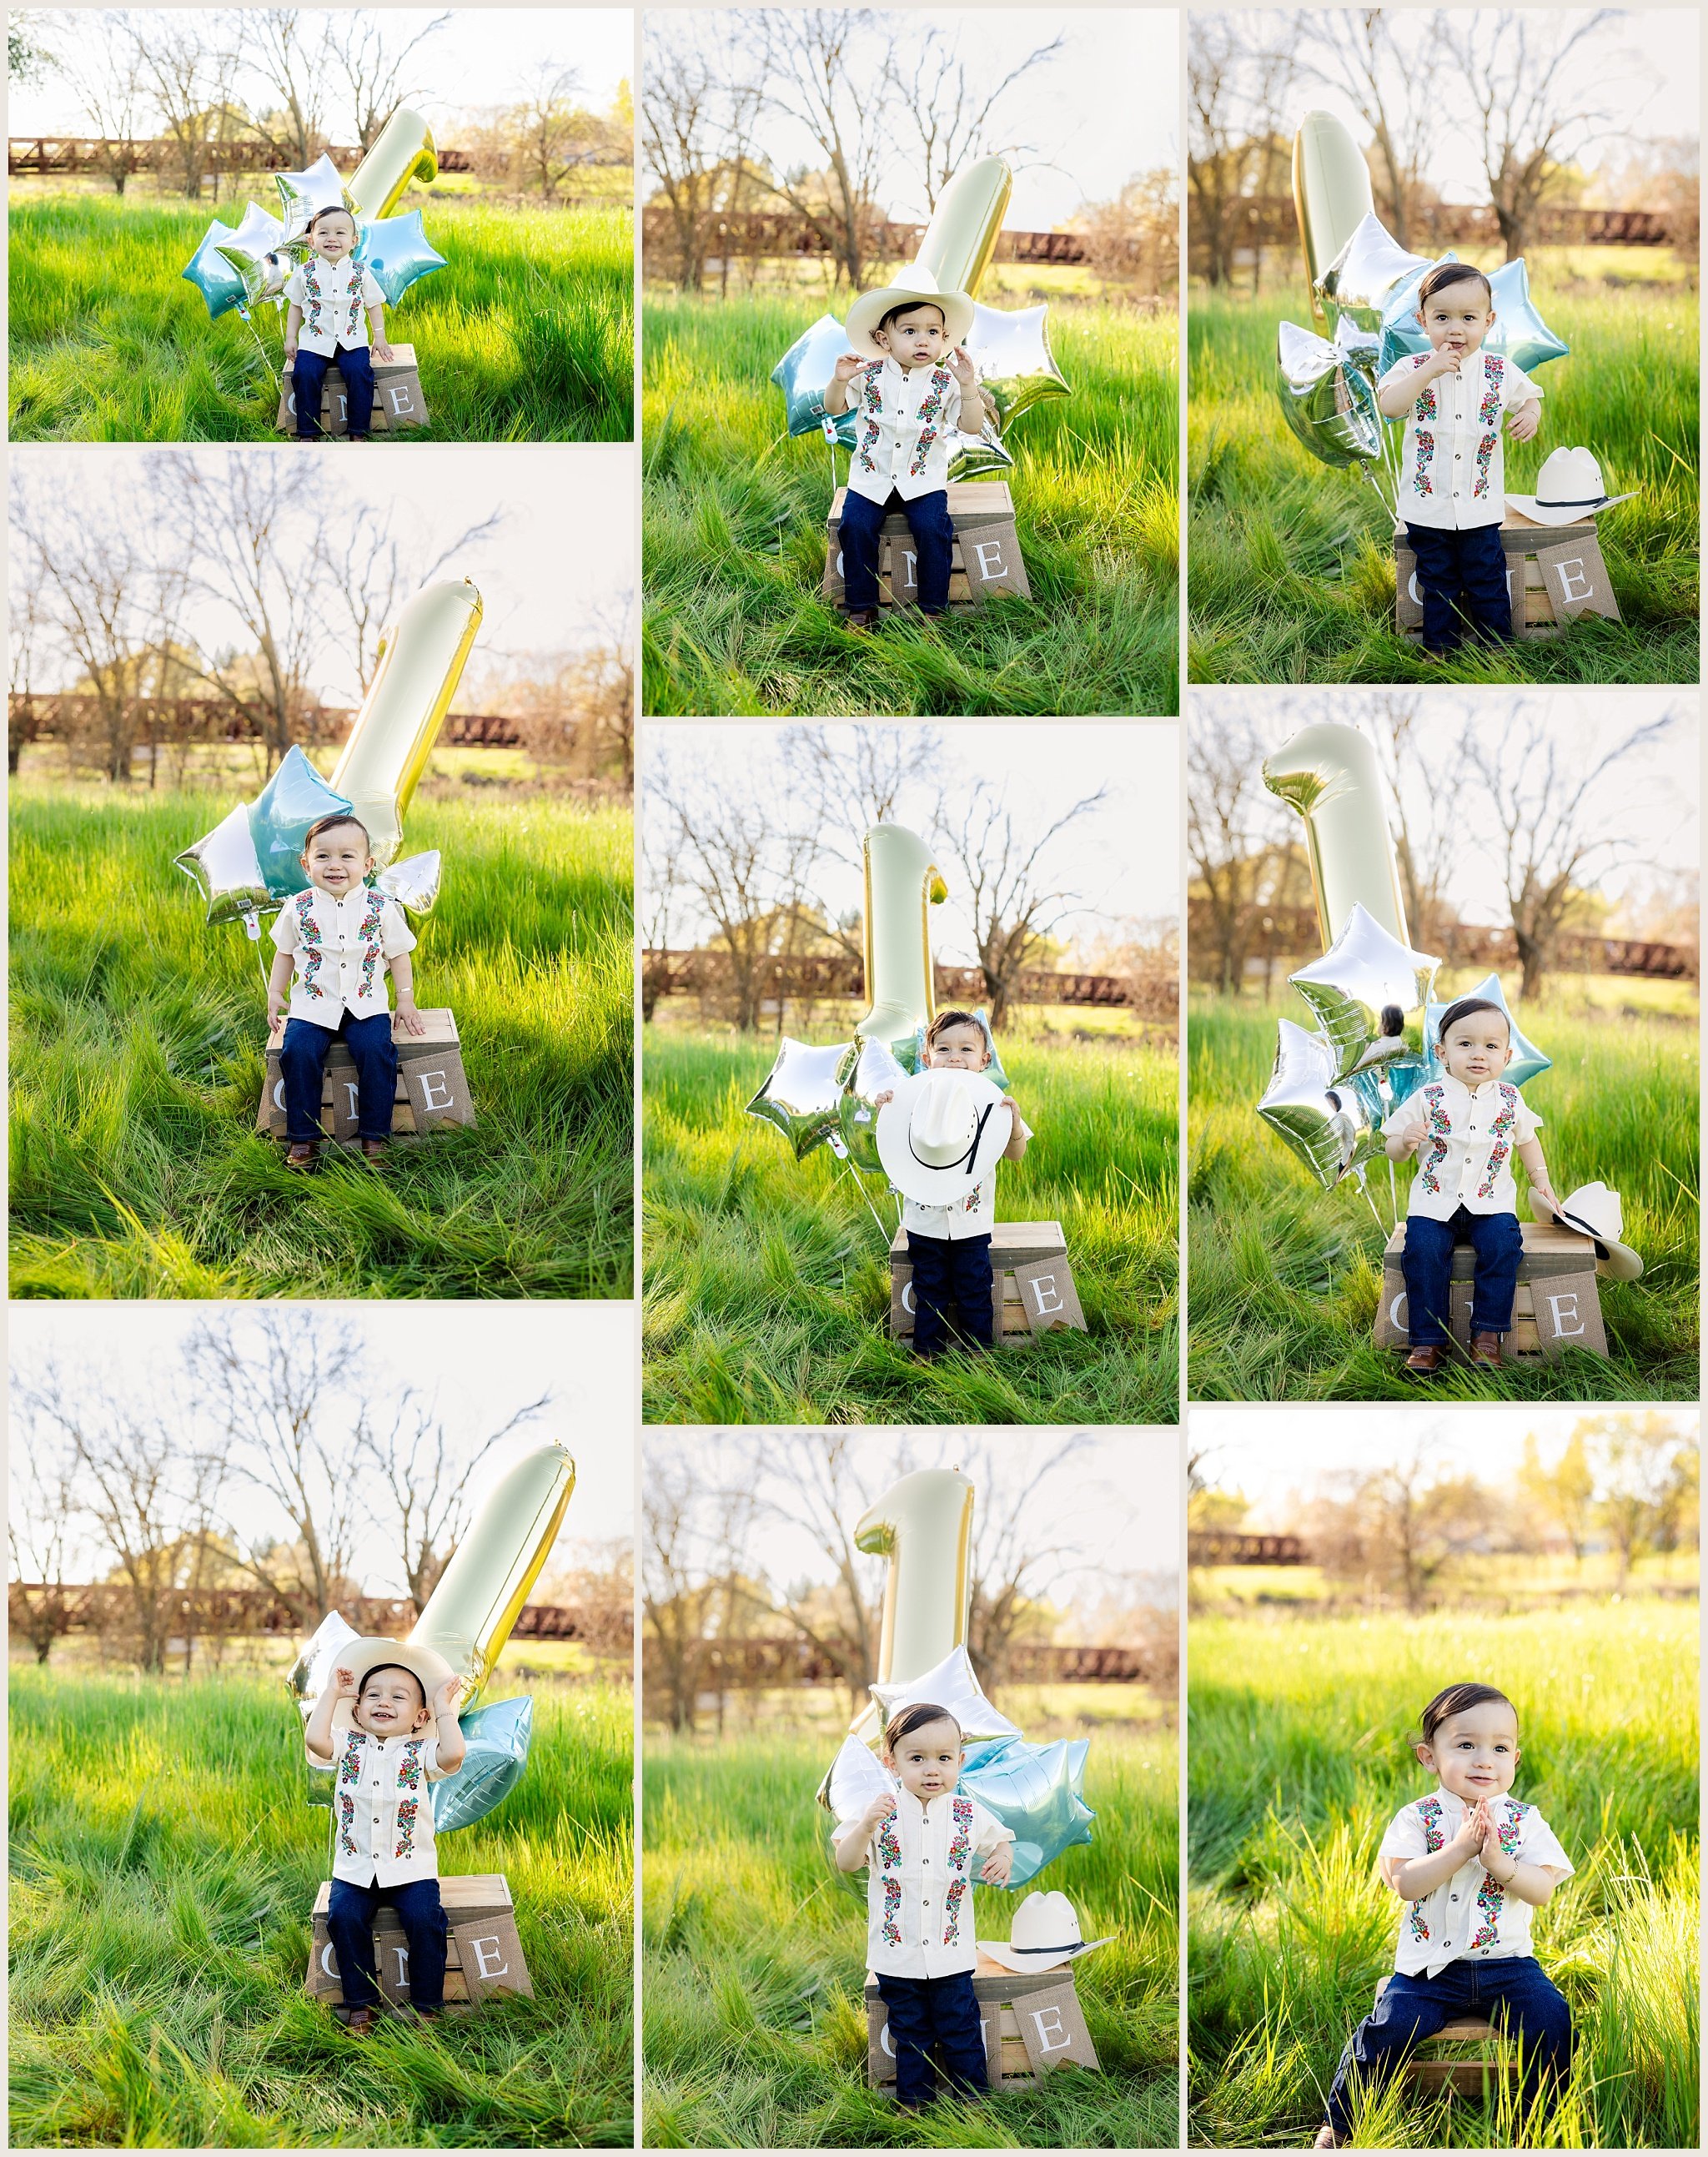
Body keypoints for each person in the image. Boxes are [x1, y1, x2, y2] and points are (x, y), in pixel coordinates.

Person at [1315, 1682, 1575, 2148]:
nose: (1484, 1759)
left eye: (1500, 1747)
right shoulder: (1417, 1818)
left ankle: (1538, 2123)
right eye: (1466, 1745)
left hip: (1509, 1967)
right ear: (1429, 1757)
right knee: (1390, 2024)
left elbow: (1542, 1892)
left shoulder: (1523, 1820)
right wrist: (1459, 1850)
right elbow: (1406, 1884)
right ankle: (1341, 2124)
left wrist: (1500, 1863)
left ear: (1515, 1760)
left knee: (1551, 2018)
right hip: (1429, 1970)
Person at [834, 1702, 1015, 2110]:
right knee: (910, 2032)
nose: (932, 1769)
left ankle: (974, 2103)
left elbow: (1001, 1840)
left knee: (960, 2026)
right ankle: (914, 2105)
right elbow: (846, 1863)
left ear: (960, 1761)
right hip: (898, 1954)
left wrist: (1002, 1857)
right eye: (917, 1758)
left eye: (944, 1758)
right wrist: (864, 1827)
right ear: (892, 1762)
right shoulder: (880, 1813)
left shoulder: (968, 1814)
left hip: (951, 1952)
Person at [1383, 996, 1559, 1375]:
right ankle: (1428, 1342)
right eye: (1466, 1044)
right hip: (1434, 1203)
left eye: (1491, 1046)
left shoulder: (1510, 1099)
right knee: (1424, 1252)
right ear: (1441, 1052)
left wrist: (1540, 1180)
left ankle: (1487, 1337)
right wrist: (1406, 1141)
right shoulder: (1428, 1098)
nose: (1479, 1054)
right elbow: (1392, 1149)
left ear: (1507, 1056)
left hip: (1490, 1202)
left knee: (1502, 1246)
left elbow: (1527, 1138)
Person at [1376, 263, 1544, 658]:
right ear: (1423, 321)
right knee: (1438, 581)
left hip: (1478, 506)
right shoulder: (1410, 369)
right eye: (1442, 318)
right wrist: (1428, 370)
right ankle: (1440, 650)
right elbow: (1390, 405)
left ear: (1488, 321)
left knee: (1485, 576)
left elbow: (1530, 395)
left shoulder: (1499, 371)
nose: (1455, 329)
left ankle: (1497, 649)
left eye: (1468, 318)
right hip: (1428, 507)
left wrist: (1530, 415)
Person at [304, 1641, 467, 2036]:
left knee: (425, 1919)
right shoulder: (348, 1743)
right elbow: (315, 1741)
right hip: (356, 1866)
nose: (384, 1702)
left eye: (399, 1696)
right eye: (373, 1694)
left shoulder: (420, 1750)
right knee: (344, 1917)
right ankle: (361, 2005)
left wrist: (444, 1709)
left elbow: (454, 1755)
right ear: (357, 1710)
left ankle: (427, 2006)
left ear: (419, 1715)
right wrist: (331, 1692)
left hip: (410, 1867)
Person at [824, 277, 996, 629]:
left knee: (933, 528)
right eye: (910, 331)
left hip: (923, 479)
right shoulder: (867, 375)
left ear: (945, 339)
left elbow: (972, 425)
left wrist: (967, 386)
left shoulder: (945, 382)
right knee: (855, 526)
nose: (923, 340)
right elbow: (835, 406)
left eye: (933, 332)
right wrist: (840, 379)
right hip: (872, 477)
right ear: (884, 340)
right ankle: (862, 607)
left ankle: (932, 609)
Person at [266, 814, 425, 1168]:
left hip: (364, 1002)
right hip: (314, 1004)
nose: (334, 865)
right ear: (305, 864)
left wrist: (406, 998)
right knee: (298, 1053)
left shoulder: (382, 909)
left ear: (367, 865)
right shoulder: (298, 907)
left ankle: (375, 1137)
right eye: (323, 856)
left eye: (347, 856)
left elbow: (398, 955)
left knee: (376, 1051)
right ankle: (304, 1140)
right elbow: (284, 952)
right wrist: (276, 994)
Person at [873, 1009, 1032, 1358]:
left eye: (966, 1049)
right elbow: (893, 1147)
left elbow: (1016, 1154)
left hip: (971, 1222)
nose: (955, 1058)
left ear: (984, 1059)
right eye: (943, 1050)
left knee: (974, 1284)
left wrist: (1014, 1124)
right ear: (926, 1058)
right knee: (929, 1285)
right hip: (924, 1220)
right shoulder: (912, 1096)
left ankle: (979, 1352)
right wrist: (886, 1109)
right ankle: (927, 1351)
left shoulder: (992, 1101)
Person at [284, 207, 393, 443]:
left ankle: (358, 431)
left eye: (340, 233)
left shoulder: (361, 272)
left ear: (353, 241)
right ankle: (307, 432)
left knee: (360, 373)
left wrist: (379, 336)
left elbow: (374, 305)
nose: (332, 238)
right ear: (311, 241)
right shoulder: (304, 273)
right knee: (304, 373)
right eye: (323, 233)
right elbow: (295, 305)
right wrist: (291, 337)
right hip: (315, 340)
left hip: (351, 339)